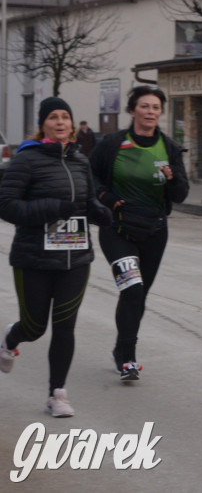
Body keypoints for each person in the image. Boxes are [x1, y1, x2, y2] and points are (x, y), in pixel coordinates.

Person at [0, 97, 111, 417]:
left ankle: (57, 394)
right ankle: (10, 338)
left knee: (65, 327)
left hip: (76, 258)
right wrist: (52, 208)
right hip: (34, 257)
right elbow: (6, 205)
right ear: (42, 124)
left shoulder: (80, 160)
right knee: (34, 327)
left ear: (72, 124)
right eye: (53, 117)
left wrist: (99, 212)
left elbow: (87, 201)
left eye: (65, 116)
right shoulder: (27, 159)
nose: (60, 121)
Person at [91, 85, 189, 380]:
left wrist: (173, 179)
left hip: (154, 231)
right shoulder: (113, 143)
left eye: (156, 107)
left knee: (139, 294)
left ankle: (120, 349)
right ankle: (128, 358)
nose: (150, 112)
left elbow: (181, 194)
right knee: (132, 289)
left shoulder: (169, 148)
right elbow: (90, 176)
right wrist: (105, 197)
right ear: (132, 110)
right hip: (117, 228)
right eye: (144, 106)